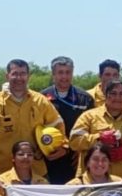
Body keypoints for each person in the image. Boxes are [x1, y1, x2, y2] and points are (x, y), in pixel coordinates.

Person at [0, 59, 67, 178]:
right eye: (15, 74)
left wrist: (63, 146)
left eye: (22, 74)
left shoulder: (41, 101)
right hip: (2, 172)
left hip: (36, 172)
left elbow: (58, 125)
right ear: (7, 76)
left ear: (28, 76)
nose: (19, 78)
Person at [70, 79, 122, 180]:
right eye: (113, 93)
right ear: (106, 95)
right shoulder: (88, 117)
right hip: (91, 182)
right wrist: (99, 138)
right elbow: (74, 142)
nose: (117, 98)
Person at [40, 56, 95, 184]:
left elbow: (91, 128)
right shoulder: (41, 98)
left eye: (68, 72)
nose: (64, 76)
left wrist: (78, 150)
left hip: (75, 159)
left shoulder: (85, 99)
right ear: (53, 74)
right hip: (49, 157)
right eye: (60, 72)